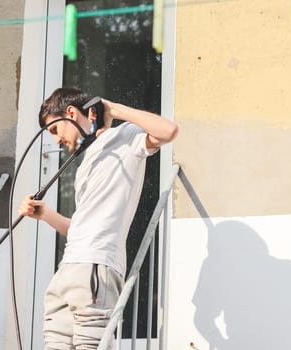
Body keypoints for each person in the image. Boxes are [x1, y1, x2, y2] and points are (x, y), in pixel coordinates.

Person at [19, 87, 178, 349]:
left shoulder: (124, 138)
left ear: (70, 113)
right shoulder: (84, 163)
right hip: (67, 270)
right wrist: (46, 214)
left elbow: (168, 131)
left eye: (55, 131)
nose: (56, 141)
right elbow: (81, 228)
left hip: (96, 265)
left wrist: (113, 109)